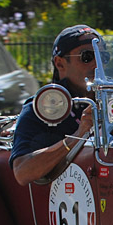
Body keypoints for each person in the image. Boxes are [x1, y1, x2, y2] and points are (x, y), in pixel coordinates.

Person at [10, 24, 98, 185]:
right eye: (87, 56)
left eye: (103, 56)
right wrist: (78, 136)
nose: (96, 64)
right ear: (60, 64)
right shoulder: (40, 108)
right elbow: (22, 172)